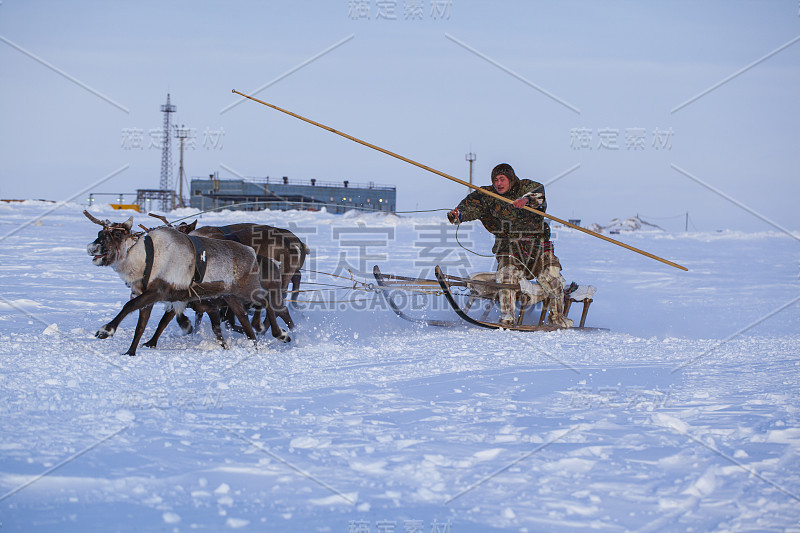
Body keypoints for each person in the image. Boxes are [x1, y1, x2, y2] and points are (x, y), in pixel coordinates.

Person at [447, 163, 574, 328]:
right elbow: (472, 205)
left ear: (511, 178)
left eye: (502, 179)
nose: (498, 183)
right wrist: (459, 214)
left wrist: (526, 200)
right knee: (506, 276)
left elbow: (539, 193)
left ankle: (557, 319)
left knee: (552, 276)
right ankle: (507, 318)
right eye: (495, 180)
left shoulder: (525, 187)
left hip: (537, 248)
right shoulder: (488, 195)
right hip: (508, 249)